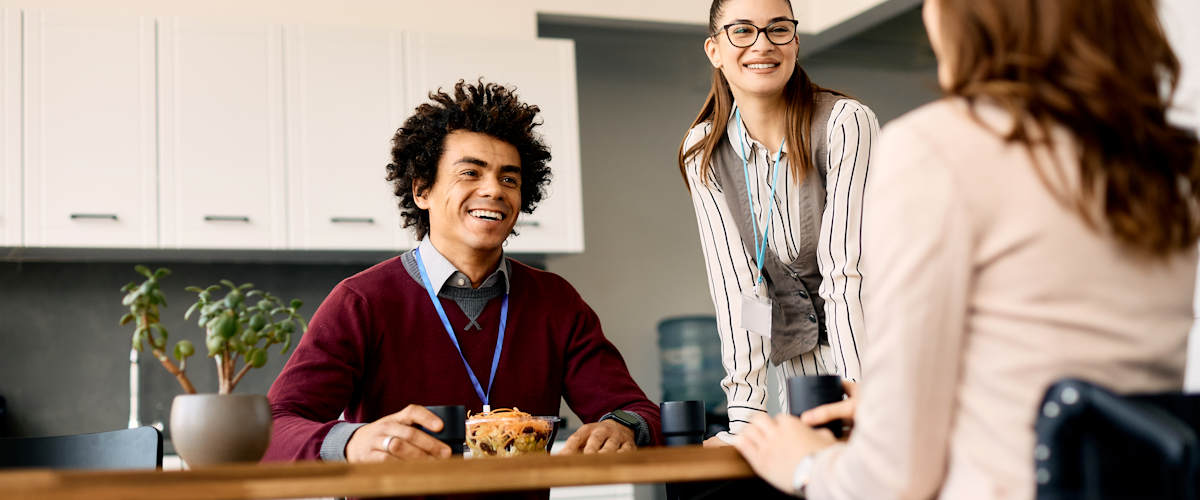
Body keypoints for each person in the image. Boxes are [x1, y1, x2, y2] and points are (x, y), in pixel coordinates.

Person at [733, 0, 1200, 498]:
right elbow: (1070, 377)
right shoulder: (1169, 164)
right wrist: (892, 408)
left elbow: (892, 482)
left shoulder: (937, 147)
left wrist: (806, 464)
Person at [264, 80, 661, 472]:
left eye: (509, 178)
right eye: (470, 173)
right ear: (422, 190)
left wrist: (620, 427)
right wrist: (353, 440)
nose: (494, 190)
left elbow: (635, 410)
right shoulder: (361, 300)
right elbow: (275, 426)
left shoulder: (554, 301)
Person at [678, 0, 880, 444]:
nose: (762, 44)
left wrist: (860, 404)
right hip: (801, 385)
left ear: (795, 40)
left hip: (883, 371)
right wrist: (745, 424)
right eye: (743, 31)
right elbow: (735, 293)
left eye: (778, 29)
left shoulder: (845, 124)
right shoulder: (704, 152)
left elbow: (847, 272)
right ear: (714, 49)